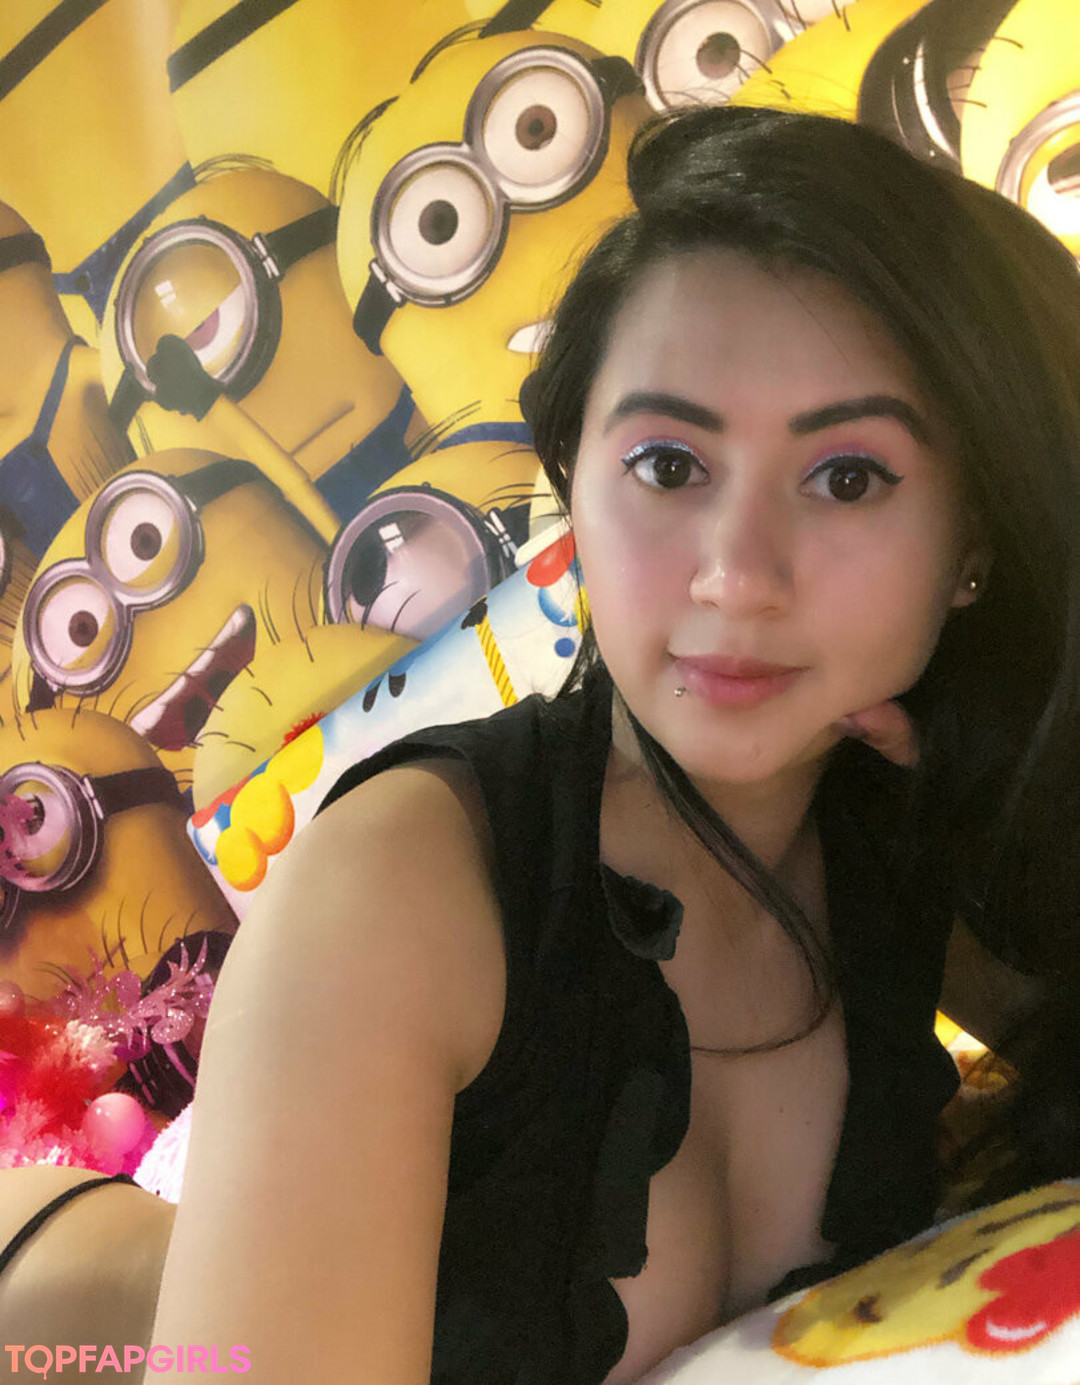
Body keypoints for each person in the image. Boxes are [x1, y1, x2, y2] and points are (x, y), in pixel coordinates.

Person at [51, 105, 1080, 1380]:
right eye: (668, 464)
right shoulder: (398, 892)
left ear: (974, 543)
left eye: (849, 477)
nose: (736, 576)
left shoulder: (906, 821)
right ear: (573, 485)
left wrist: (1022, 814)